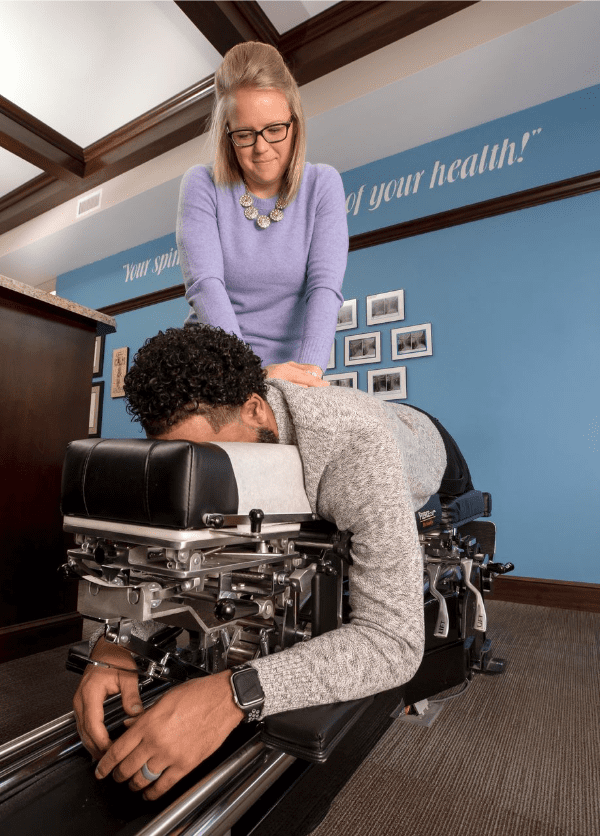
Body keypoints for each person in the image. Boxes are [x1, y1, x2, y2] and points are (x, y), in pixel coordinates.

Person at [74, 325, 470, 801]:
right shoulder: (214, 426)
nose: (207, 469)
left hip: (421, 440)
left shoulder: (354, 447)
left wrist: (235, 693)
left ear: (255, 408)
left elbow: (393, 642)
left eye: (218, 455)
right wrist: (118, 639)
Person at [177, 41, 348, 387]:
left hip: (295, 374)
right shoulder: (201, 184)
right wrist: (250, 376)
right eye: (244, 134)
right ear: (228, 135)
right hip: (216, 370)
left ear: (295, 123)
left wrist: (310, 376)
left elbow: (325, 287)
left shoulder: (323, 184)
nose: (261, 147)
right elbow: (205, 286)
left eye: (274, 130)